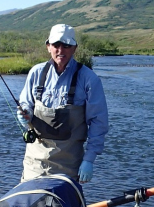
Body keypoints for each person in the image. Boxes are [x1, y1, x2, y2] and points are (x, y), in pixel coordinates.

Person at [16, 24, 109, 183]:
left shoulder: (89, 78)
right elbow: (26, 104)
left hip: (69, 165)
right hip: (34, 163)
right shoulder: (36, 73)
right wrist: (24, 114)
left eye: (66, 45)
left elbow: (98, 122)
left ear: (74, 48)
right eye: (56, 45)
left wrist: (89, 160)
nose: (61, 50)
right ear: (48, 47)